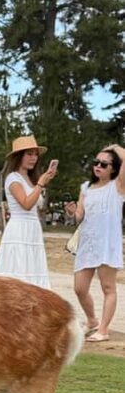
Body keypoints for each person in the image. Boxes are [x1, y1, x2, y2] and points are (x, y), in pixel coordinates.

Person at [65, 145, 125, 342]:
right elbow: (80, 217)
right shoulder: (86, 187)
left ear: (113, 168)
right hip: (88, 243)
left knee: (108, 287)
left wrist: (115, 147)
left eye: (104, 164)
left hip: (108, 242)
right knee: (79, 288)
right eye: (96, 162)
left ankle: (104, 330)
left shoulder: (118, 186)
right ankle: (92, 321)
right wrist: (72, 212)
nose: (98, 166)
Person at [0, 136, 57, 288]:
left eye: (35, 154)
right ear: (19, 157)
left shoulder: (29, 178)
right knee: (19, 270)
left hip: (33, 228)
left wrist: (41, 182)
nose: (33, 158)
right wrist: (41, 184)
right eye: (29, 154)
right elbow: (26, 204)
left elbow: (36, 206)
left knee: (33, 269)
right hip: (19, 229)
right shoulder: (13, 178)